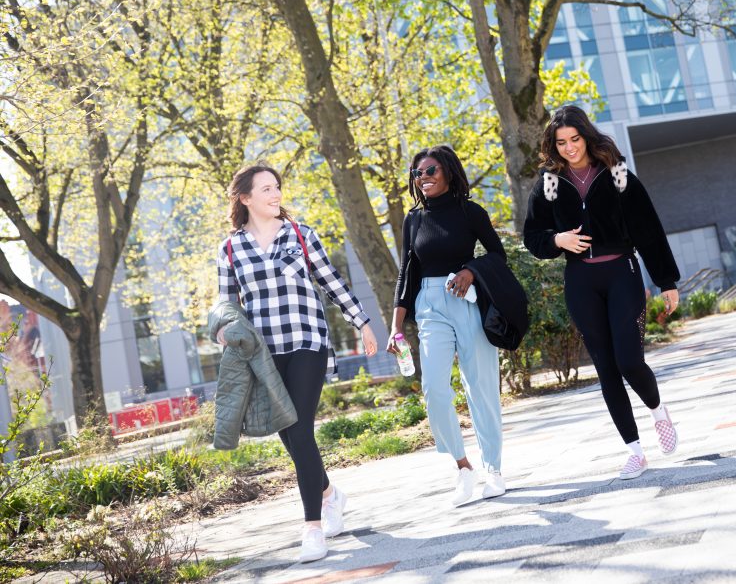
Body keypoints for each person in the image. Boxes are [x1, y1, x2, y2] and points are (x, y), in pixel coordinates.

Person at [216, 163, 379, 562]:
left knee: (298, 427)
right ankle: (329, 493)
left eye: (277, 187)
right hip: (264, 355)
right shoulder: (231, 248)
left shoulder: (301, 235)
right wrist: (222, 331)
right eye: (266, 189)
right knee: (289, 435)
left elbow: (332, 281)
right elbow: (225, 304)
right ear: (245, 198)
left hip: (307, 340)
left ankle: (312, 528)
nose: (275, 195)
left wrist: (363, 323)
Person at [524, 105, 681, 480]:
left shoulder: (617, 173)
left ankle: (658, 410)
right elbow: (532, 236)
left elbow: (648, 228)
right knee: (607, 370)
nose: (569, 148)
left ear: (586, 136)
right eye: (561, 143)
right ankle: (635, 452)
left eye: (574, 139)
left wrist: (666, 281)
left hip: (621, 272)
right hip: (580, 281)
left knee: (629, 361)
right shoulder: (548, 182)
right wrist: (557, 239)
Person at [388, 145, 507, 506]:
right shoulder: (413, 219)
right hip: (429, 305)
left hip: (467, 300)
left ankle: (494, 470)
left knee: (481, 387)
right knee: (434, 389)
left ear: (449, 172)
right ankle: (463, 467)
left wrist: (471, 271)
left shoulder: (470, 212)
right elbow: (407, 272)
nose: (422, 178)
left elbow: (497, 254)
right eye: (417, 173)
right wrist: (396, 326)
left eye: (430, 171)